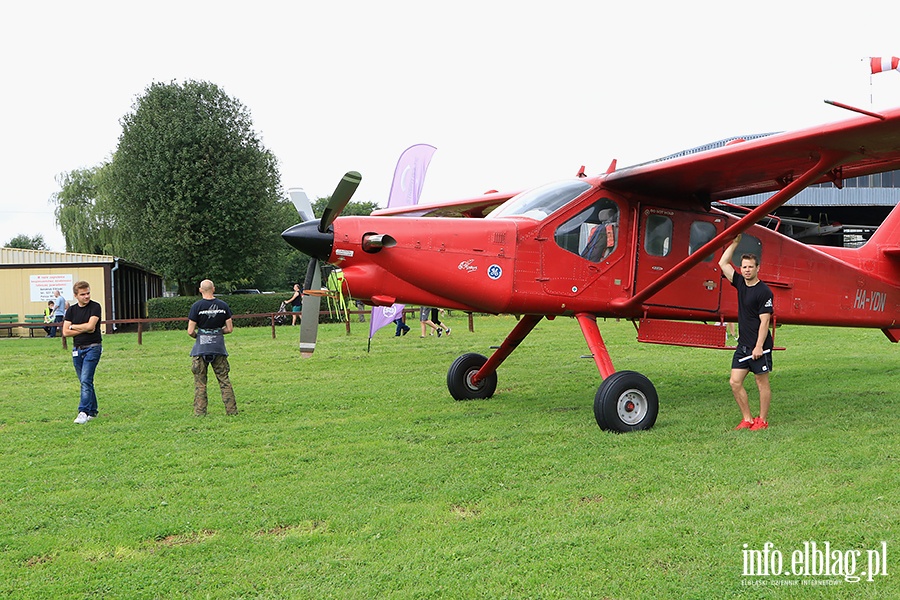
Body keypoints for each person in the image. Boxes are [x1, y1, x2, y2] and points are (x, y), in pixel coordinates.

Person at [718, 235, 774, 431]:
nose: (747, 270)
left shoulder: (764, 292)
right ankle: (747, 419)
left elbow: (764, 321)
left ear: (758, 268)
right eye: (744, 267)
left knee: (761, 382)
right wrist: (734, 243)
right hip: (743, 346)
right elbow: (723, 263)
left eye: (751, 267)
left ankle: (762, 420)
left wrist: (759, 346)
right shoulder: (740, 283)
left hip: (760, 346)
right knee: (734, 382)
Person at [187, 279, 238, 416]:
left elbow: (190, 331)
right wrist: (217, 332)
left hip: (201, 348)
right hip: (218, 348)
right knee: (224, 380)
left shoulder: (196, 306)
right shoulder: (223, 306)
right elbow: (230, 329)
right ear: (213, 289)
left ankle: (200, 412)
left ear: (200, 290)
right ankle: (231, 411)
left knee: (200, 382)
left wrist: (200, 335)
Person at [62, 281, 102, 424]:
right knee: (85, 381)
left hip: (93, 347)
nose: (86, 296)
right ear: (75, 295)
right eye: (83, 294)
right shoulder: (71, 310)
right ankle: (93, 411)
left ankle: (83, 412)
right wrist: (80, 328)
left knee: (85, 380)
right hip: (77, 349)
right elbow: (65, 332)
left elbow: (91, 327)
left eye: (88, 293)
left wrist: (73, 326)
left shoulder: (95, 307)